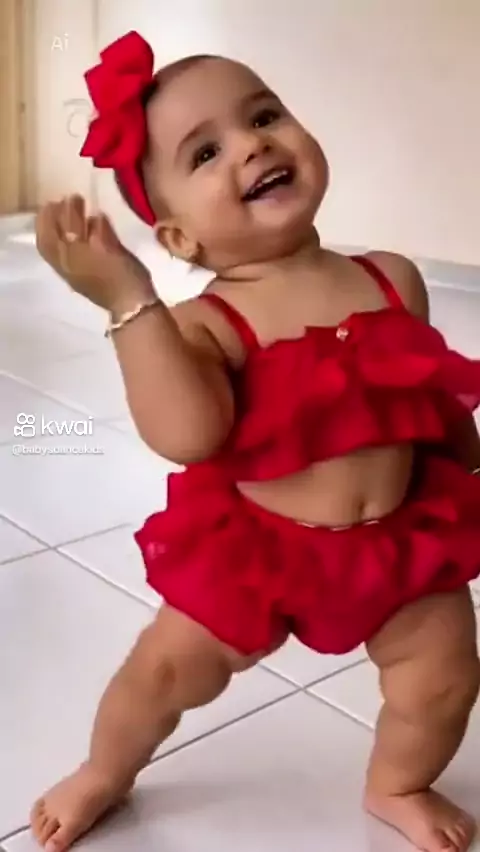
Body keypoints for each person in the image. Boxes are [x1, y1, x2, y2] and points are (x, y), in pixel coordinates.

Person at [31, 29, 480, 852]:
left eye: (264, 115)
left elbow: (432, 399)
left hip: (401, 543)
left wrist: (465, 459)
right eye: (204, 153)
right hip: (262, 551)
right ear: (178, 238)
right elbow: (189, 434)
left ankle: (397, 782)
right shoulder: (210, 324)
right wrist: (130, 301)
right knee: (162, 674)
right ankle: (103, 769)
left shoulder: (391, 278)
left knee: (446, 680)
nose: (251, 145)